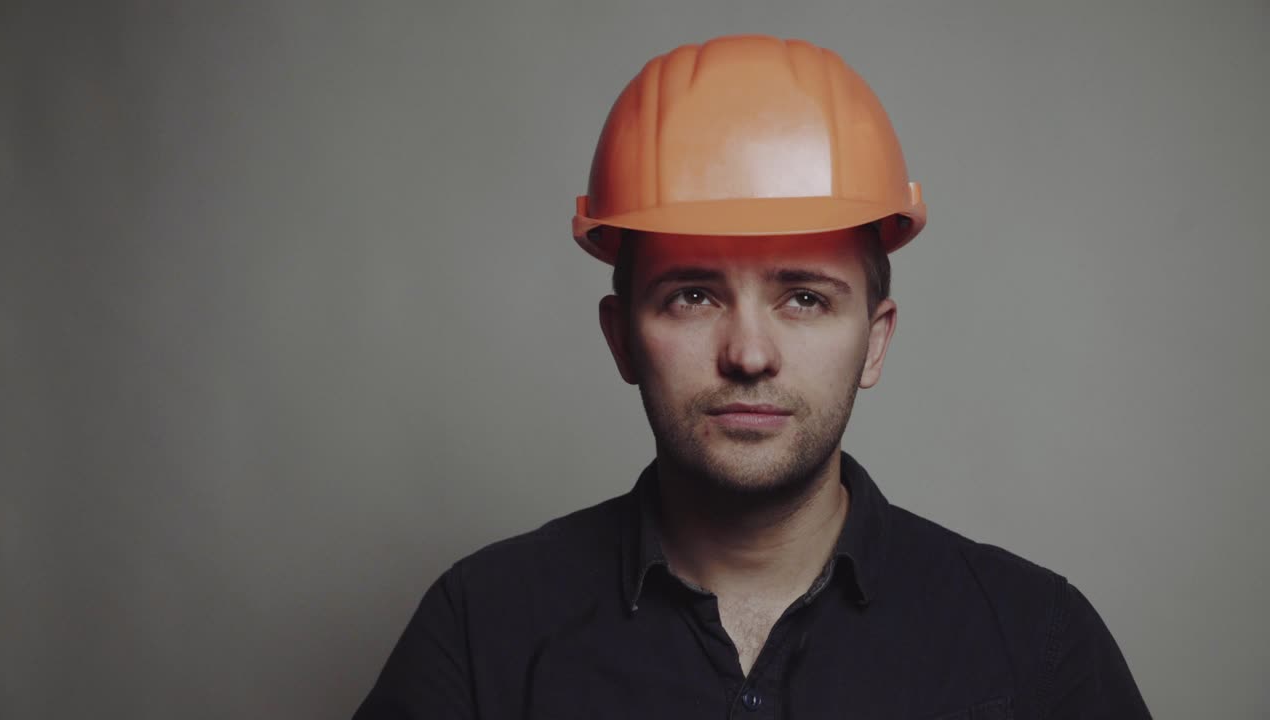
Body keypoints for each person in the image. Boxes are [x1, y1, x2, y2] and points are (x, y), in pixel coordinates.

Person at [353, 34, 1151, 719]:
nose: (749, 352)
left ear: (874, 345)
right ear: (621, 338)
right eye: (692, 295)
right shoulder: (481, 628)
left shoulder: (1033, 640)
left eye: (804, 298)